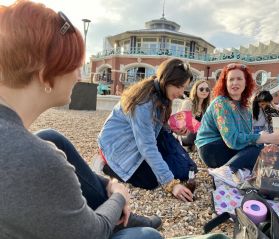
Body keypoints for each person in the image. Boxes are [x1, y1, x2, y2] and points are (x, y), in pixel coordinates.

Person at [0, 1, 162, 239]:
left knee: (51, 137)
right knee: (148, 236)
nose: (81, 75)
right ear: (45, 76)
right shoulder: (37, 157)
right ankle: (125, 220)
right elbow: (91, 233)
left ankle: (122, 217)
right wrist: (119, 195)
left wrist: (107, 183)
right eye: (75, 65)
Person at [98, 58, 195, 202]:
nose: (181, 92)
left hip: (138, 140)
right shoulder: (143, 102)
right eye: (179, 86)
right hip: (119, 147)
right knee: (151, 182)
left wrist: (173, 129)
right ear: (167, 79)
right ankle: (106, 164)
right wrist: (171, 184)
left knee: (186, 169)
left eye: (184, 88)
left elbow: (155, 125)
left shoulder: (160, 93)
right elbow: (147, 147)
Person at [195, 63, 279, 187]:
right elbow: (232, 140)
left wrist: (265, 140)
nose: (235, 83)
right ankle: (226, 171)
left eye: (239, 79)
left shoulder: (246, 106)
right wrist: (264, 137)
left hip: (230, 149)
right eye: (231, 79)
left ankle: (237, 172)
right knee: (258, 148)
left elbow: (246, 136)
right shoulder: (220, 103)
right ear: (225, 83)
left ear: (246, 82)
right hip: (212, 149)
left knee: (266, 152)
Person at [179, 80, 211, 151]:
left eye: (207, 89)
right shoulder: (188, 103)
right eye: (201, 89)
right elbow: (182, 123)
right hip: (186, 135)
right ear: (195, 90)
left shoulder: (206, 107)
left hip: (199, 136)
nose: (204, 91)